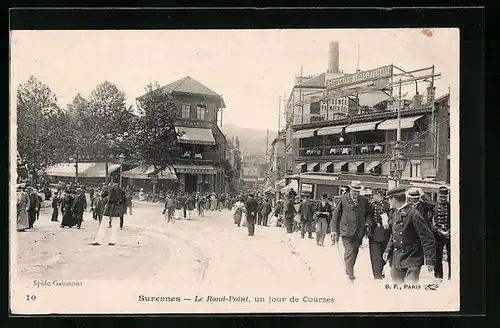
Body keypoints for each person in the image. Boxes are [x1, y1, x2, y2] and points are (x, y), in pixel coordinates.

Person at [383, 187, 436, 284]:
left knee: (409, 291)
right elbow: (394, 234)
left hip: (412, 259)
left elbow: (427, 238)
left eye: (389, 199)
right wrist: (387, 250)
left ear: (394, 199)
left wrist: (430, 260)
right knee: (396, 290)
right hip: (397, 260)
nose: (388, 201)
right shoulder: (396, 212)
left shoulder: (414, 214)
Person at [331, 181, 374, 282]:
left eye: (358, 191)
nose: (356, 193)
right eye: (355, 191)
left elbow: (370, 214)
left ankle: (348, 267)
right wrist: (334, 230)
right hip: (346, 230)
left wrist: (368, 222)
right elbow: (335, 216)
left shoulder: (364, 200)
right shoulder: (342, 199)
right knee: (349, 250)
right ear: (350, 189)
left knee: (354, 252)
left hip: (359, 231)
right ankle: (351, 274)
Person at [91, 179, 126, 246]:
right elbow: (124, 199)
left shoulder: (110, 188)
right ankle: (112, 241)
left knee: (103, 224)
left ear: (112, 182)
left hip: (109, 207)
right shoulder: (121, 190)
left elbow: (103, 195)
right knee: (115, 225)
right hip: (116, 208)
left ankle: (98, 240)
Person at [367, 189, 392, 280]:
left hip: (385, 232)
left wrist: (388, 222)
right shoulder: (371, 205)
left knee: (383, 254)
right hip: (374, 232)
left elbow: (392, 216)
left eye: (374, 195)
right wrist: (369, 223)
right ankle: (377, 276)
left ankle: (380, 269)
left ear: (379, 195)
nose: (372, 196)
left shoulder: (387, 205)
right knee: (375, 255)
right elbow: (369, 216)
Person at [432, 186, 451, 280]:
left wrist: (449, 231)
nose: (443, 199)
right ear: (438, 196)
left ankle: (452, 277)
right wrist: (438, 230)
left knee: (451, 257)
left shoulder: (451, 206)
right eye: (441, 197)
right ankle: (438, 278)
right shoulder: (434, 206)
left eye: (445, 197)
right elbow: (431, 222)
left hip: (449, 235)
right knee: (437, 258)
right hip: (438, 235)